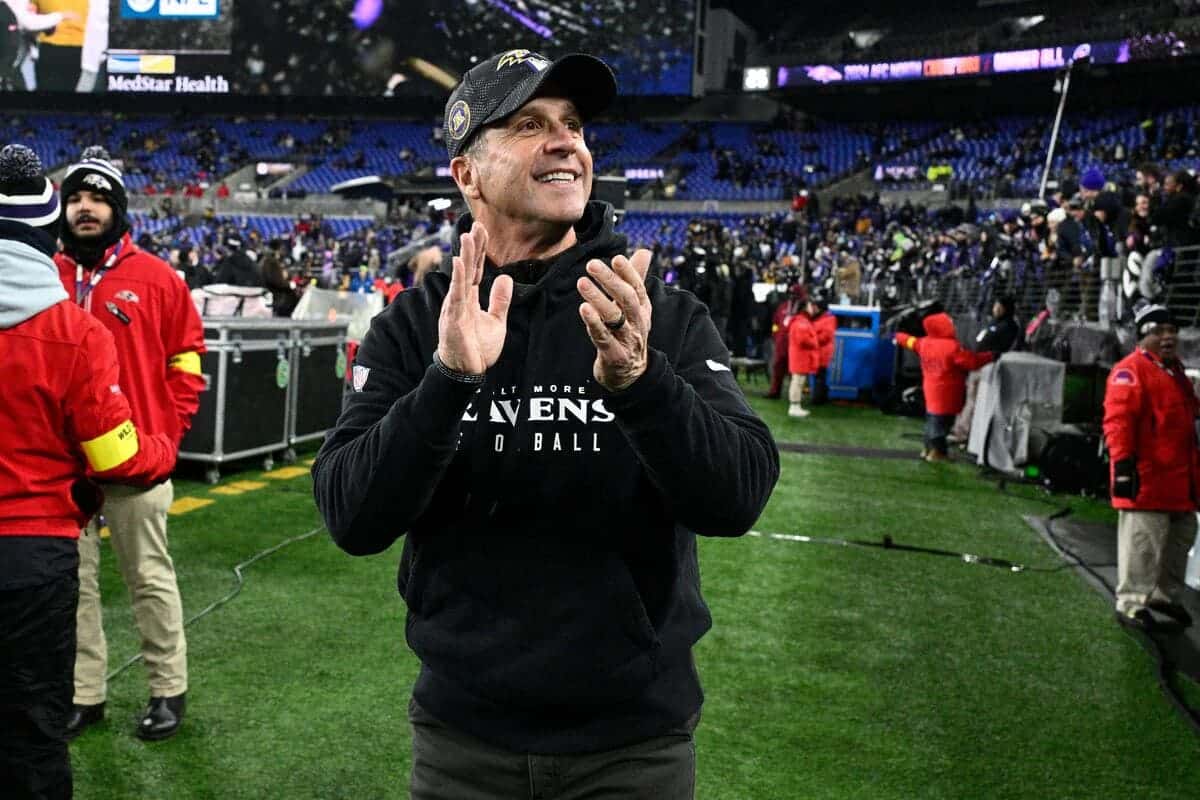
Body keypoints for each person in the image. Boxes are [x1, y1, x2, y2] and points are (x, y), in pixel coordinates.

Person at [312, 48, 779, 799]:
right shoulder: (415, 325)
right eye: (529, 124)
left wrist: (641, 382)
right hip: (463, 743)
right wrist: (448, 382)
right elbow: (351, 516)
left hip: (632, 747)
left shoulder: (653, 311)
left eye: (573, 125)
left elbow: (738, 498)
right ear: (467, 174)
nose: (566, 142)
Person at [0, 144, 175, 799]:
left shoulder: (143, 283)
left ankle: (156, 690)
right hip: (35, 547)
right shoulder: (74, 332)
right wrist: (162, 448)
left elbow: (185, 356)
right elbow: (114, 456)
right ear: (48, 231)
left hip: (43, 539)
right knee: (32, 732)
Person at [53, 150, 206, 741]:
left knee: (149, 578)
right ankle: (84, 694)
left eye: (97, 199)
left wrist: (168, 433)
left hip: (138, 460)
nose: (84, 208)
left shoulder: (159, 278)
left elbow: (187, 361)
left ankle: (168, 691)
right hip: (64, 464)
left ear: (118, 209)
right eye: (75, 198)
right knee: (74, 585)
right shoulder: (44, 275)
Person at [1103, 304, 1198, 633]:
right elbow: (1118, 422)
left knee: (1179, 540)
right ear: (1142, 336)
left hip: (1179, 479)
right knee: (1144, 544)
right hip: (1148, 477)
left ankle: (1163, 595)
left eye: (1172, 330)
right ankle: (1131, 602)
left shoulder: (1175, 371)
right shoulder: (1130, 370)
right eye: (1159, 331)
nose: (1168, 337)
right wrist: (1123, 468)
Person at [895, 312, 994, 462]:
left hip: (931, 390)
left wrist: (897, 335)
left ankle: (927, 449)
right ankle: (937, 452)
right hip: (948, 392)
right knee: (942, 424)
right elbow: (971, 362)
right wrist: (989, 356)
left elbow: (909, 341)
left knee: (932, 420)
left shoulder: (924, 343)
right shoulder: (952, 347)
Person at [949, 293, 1022, 444]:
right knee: (969, 398)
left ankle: (964, 432)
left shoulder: (1009, 326)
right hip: (977, 364)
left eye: (999, 306)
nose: (995, 309)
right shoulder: (993, 323)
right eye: (995, 305)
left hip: (989, 367)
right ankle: (961, 429)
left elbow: (1003, 347)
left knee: (976, 400)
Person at [787, 297, 818, 418]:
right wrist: (814, 341)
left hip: (801, 357)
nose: (812, 308)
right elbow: (803, 340)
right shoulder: (801, 322)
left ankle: (796, 405)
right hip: (800, 357)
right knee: (797, 382)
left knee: (798, 382)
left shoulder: (801, 321)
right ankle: (794, 406)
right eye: (810, 305)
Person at [810, 295, 836, 405]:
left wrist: (811, 339)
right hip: (819, 351)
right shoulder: (822, 318)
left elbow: (826, 336)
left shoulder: (828, 319)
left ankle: (818, 399)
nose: (813, 309)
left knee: (820, 376)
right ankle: (821, 397)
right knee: (820, 376)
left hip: (823, 353)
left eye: (815, 306)